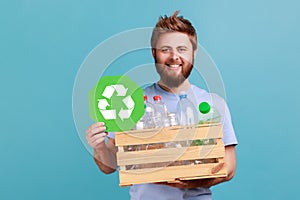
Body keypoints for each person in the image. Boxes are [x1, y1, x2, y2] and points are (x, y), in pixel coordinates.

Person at [86, 11, 238, 200]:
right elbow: (109, 166)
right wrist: (100, 147)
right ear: (154, 53)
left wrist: (194, 181)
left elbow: (229, 168)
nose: (174, 57)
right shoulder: (129, 102)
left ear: (194, 52)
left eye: (182, 49)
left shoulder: (214, 104)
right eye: (166, 49)